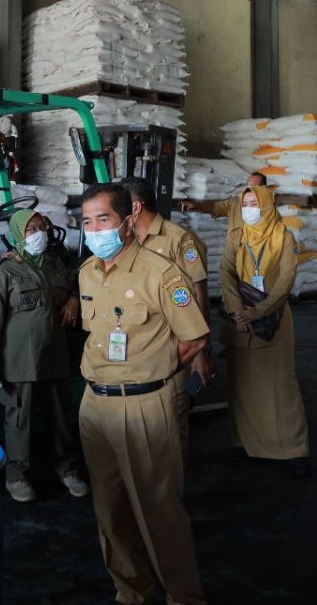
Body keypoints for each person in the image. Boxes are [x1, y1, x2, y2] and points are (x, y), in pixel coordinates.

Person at [77, 182, 209, 605]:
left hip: (144, 403)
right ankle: (130, 591)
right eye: (87, 221)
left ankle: (184, 597)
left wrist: (155, 374)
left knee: (159, 512)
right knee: (109, 512)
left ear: (128, 221)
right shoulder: (87, 272)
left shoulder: (162, 272)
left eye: (104, 219)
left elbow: (194, 338)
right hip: (95, 404)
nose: (95, 229)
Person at [0, 208, 89, 503]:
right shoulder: (4, 270)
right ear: (17, 235)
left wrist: (74, 299)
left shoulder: (56, 263)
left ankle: (67, 469)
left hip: (54, 355)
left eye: (41, 227)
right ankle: (17, 475)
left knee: (59, 415)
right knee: (19, 420)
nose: (38, 233)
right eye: (30, 230)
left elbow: (83, 276)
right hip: (19, 360)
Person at [220, 183, 310, 474]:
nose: (248, 209)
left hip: (273, 319)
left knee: (279, 385)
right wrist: (237, 311)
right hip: (240, 323)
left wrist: (258, 310)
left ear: (267, 206)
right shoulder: (237, 236)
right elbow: (225, 272)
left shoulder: (284, 237)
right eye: (244, 204)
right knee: (244, 385)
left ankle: (288, 447)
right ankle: (247, 442)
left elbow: (286, 279)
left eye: (253, 203)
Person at [122, 177, 215, 458]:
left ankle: (171, 495)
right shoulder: (126, 240)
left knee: (170, 429)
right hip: (137, 349)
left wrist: (201, 351)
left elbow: (199, 296)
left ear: (135, 207)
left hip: (174, 351)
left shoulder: (179, 240)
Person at [182, 172, 268, 217]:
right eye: (247, 184)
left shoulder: (265, 210)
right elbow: (216, 208)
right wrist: (195, 205)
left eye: (252, 186)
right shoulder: (237, 200)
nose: (247, 188)